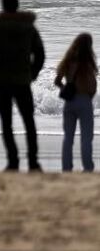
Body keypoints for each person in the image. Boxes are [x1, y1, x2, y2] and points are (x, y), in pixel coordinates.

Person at [0, 0, 45, 172]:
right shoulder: (29, 29)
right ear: (17, 5)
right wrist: (32, 73)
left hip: (2, 81)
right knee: (29, 121)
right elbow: (40, 54)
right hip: (23, 80)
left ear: (3, 5)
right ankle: (33, 161)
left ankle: (13, 160)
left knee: (6, 123)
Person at [54, 33, 96, 172]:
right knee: (86, 138)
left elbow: (57, 81)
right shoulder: (88, 63)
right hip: (84, 100)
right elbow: (92, 85)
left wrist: (65, 88)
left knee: (68, 138)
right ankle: (88, 168)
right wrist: (89, 95)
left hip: (70, 101)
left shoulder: (68, 61)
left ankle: (66, 168)